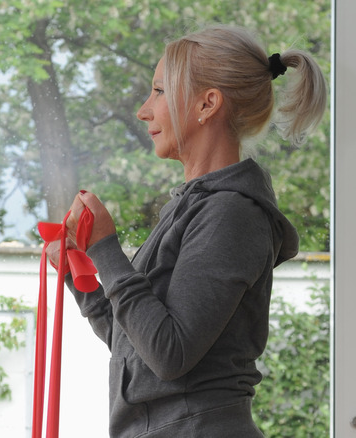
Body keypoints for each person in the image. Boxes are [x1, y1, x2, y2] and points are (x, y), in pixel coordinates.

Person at [48, 24, 327, 438]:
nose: (144, 110)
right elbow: (138, 347)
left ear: (207, 104)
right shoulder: (192, 207)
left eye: (159, 91)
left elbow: (170, 353)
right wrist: (80, 277)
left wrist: (107, 249)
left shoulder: (231, 214)